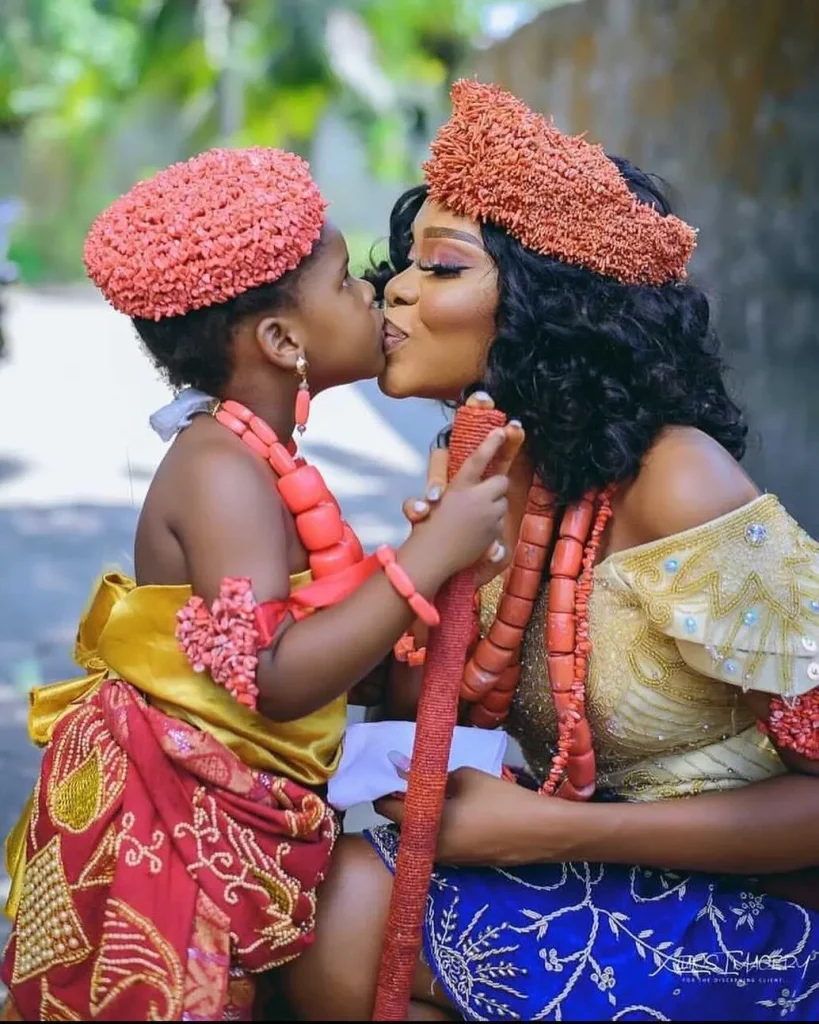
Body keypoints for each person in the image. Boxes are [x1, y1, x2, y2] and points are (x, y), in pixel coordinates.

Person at [278, 81, 819, 1021]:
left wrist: (542, 828)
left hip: (759, 911)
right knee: (292, 894)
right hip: (586, 863)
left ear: (546, 307)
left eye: (442, 268)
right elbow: (444, 704)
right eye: (402, 265)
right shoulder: (478, 461)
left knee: (345, 908)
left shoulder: (675, 481)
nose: (395, 288)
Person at [0, 146, 516, 1022]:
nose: (377, 293)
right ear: (282, 341)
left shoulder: (254, 457)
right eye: (348, 280)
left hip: (214, 824)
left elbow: (314, 639)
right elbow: (273, 676)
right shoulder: (220, 471)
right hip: (164, 833)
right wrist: (426, 562)